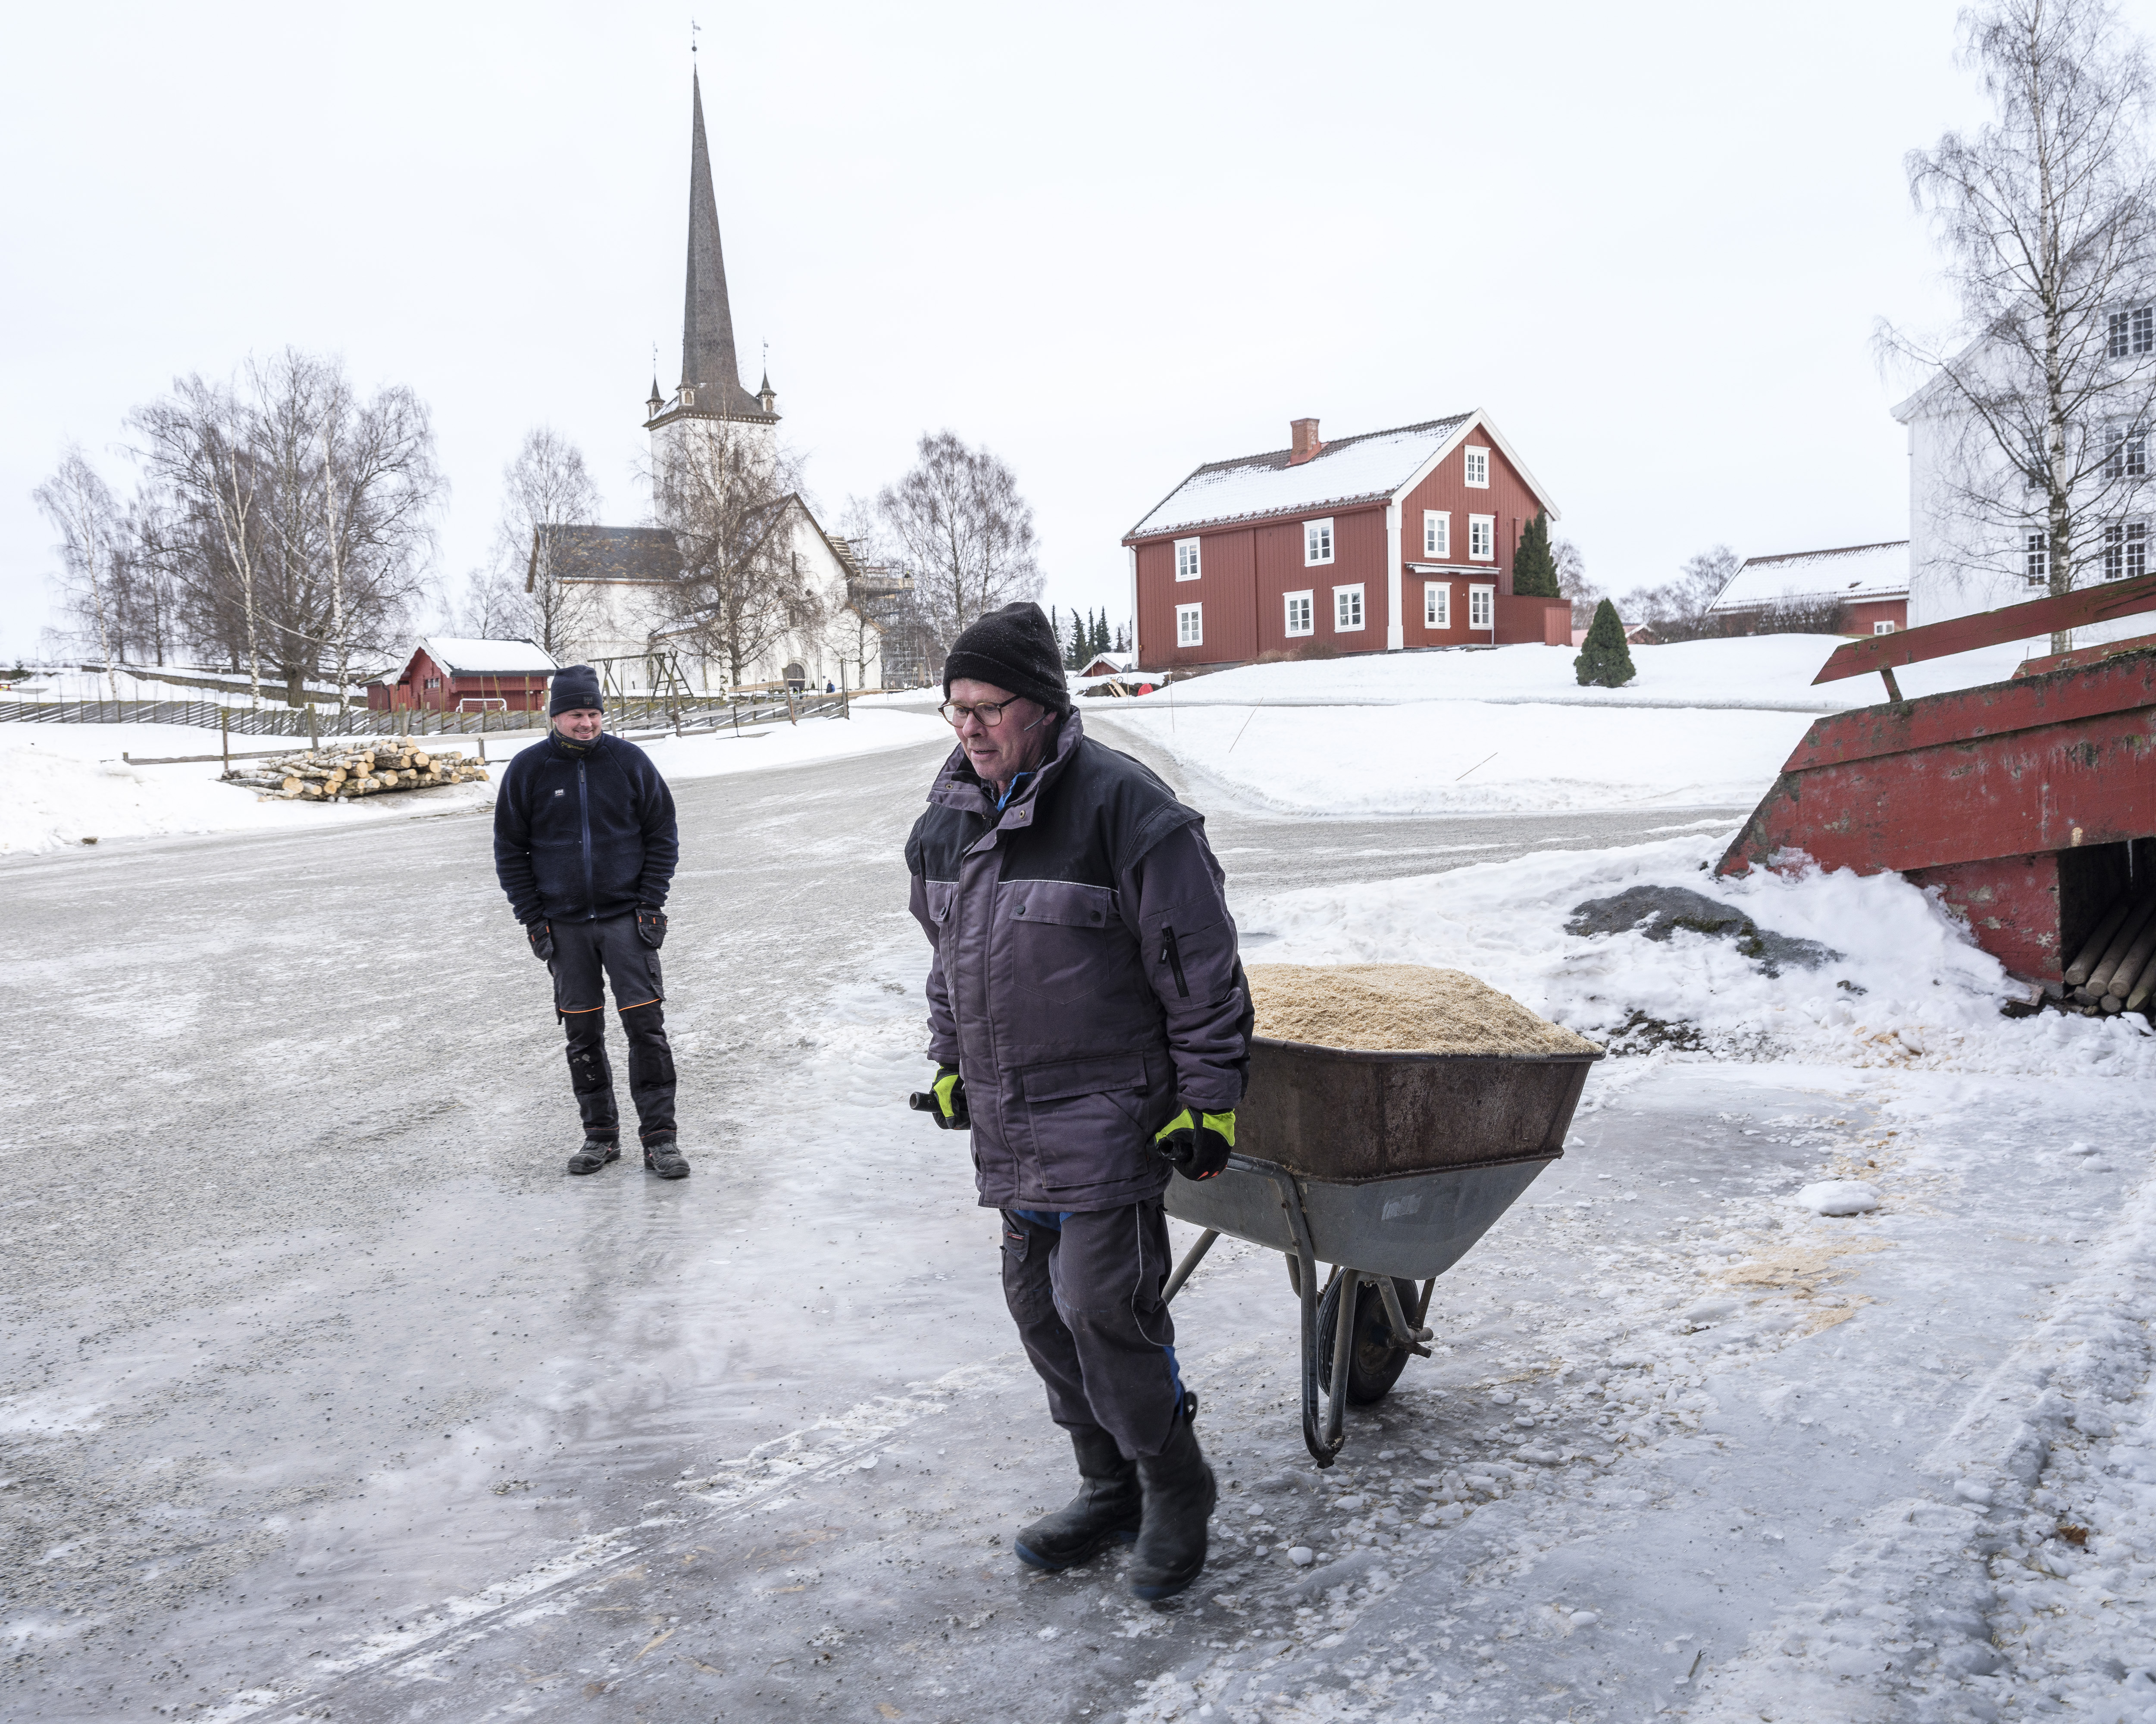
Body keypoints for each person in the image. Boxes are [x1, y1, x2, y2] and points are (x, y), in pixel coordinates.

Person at [903, 601, 1251, 1601]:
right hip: (1014, 1122)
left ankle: (1175, 1483)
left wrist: (1211, 1102)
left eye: (989, 708)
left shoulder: (1125, 810)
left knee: (1102, 1307)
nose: (969, 728)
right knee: (1038, 1312)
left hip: (1107, 1110)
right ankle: (1108, 1487)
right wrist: (947, 1061)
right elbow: (949, 967)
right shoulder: (951, 816)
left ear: (1046, 707)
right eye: (955, 709)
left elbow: (1201, 973)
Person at [493, 664, 688, 1180]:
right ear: (555, 716)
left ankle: (660, 1141)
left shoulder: (628, 763)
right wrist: (533, 920)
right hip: (564, 927)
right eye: (577, 714)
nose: (587, 723)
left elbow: (662, 836)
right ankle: (600, 1137)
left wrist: (650, 903)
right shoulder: (528, 770)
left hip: (628, 921)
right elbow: (510, 852)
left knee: (646, 1029)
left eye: (594, 713)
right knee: (583, 1035)